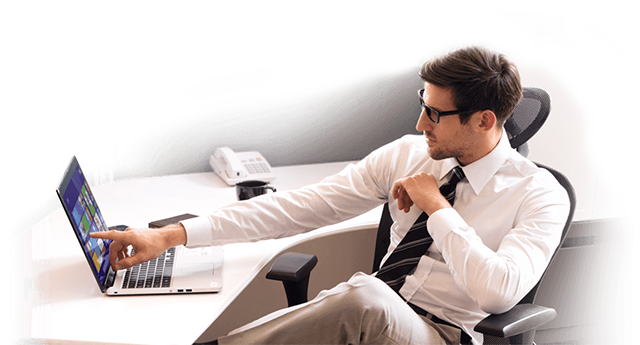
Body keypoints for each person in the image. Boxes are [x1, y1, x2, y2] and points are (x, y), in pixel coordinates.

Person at [91, 43, 570, 345]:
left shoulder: (540, 195)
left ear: (484, 120)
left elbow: (500, 293)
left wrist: (438, 208)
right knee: (364, 299)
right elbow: (300, 206)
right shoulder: (409, 153)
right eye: (422, 107)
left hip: (443, 334)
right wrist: (173, 235)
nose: (420, 124)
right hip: (369, 319)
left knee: (364, 296)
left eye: (435, 114)